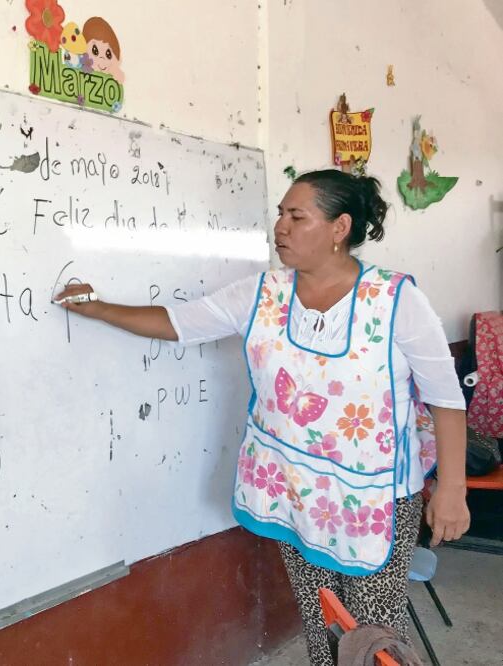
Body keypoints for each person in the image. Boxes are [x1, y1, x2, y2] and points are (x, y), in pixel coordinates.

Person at [54, 170, 470, 666]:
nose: (281, 227)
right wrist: (98, 308)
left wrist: (451, 490)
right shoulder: (262, 292)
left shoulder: (397, 301)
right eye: (280, 214)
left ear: (340, 228)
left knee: (375, 638)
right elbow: (179, 323)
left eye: (297, 216)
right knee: (322, 621)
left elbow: (446, 399)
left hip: (373, 501)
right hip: (295, 490)